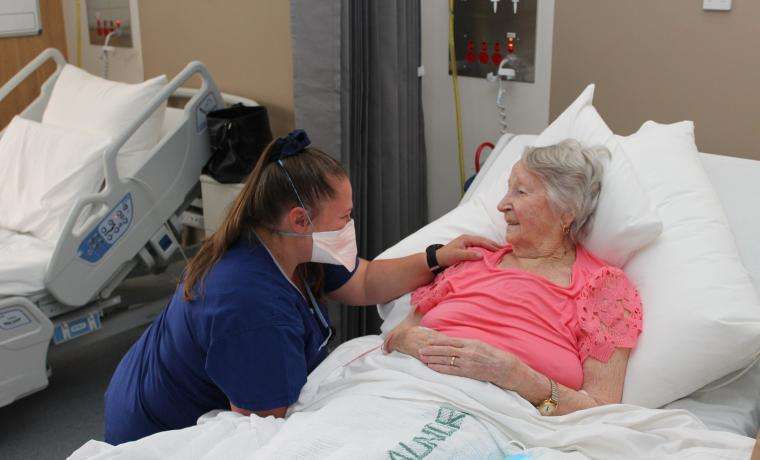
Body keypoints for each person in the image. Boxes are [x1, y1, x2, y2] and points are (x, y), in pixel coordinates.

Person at [104, 130, 498, 444]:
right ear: (299, 219)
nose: (350, 227)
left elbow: (364, 282)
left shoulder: (287, 247)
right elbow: (261, 430)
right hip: (159, 433)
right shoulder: (249, 305)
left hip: (154, 384)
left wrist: (436, 257)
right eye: (344, 217)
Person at [384, 139, 643, 416]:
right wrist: (409, 342)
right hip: (407, 389)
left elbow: (601, 408)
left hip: (500, 418)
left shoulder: (603, 288)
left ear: (566, 212)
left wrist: (516, 376)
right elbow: (396, 335)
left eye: (519, 192)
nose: (502, 205)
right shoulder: (472, 259)